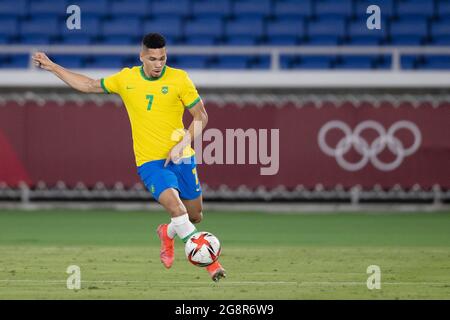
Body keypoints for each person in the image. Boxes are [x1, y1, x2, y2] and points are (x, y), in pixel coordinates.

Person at [32, 33, 226, 282]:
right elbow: (89, 85)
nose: (158, 64)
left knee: (194, 215)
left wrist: (183, 143)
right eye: (153, 59)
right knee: (176, 208)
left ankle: (167, 231)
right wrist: (52, 67)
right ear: (142, 57)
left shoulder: (179, 79)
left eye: (163, 58)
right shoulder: (127, 79)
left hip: (182, 157)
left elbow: (201, 116)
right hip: (150, 162)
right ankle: (212, 264)